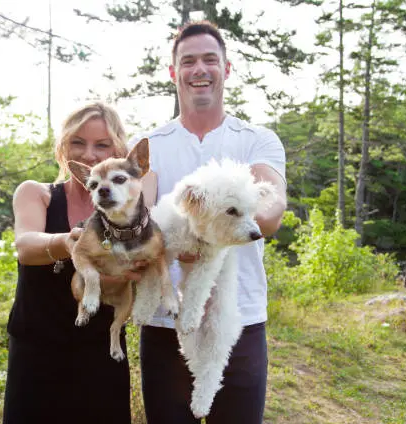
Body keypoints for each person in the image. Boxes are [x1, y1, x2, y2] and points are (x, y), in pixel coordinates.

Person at [132, 21, 288, 424]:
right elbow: (141, 219)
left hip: (240, 317)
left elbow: (270, 211)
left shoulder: (257, 139)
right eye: (188, 61)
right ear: (173, 72)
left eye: (209, 60)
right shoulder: (152, 144)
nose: (199, 69)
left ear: (226, 68)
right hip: (165, 321)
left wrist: (213, 239)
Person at [3, 102, 142, 424]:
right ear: (63, 147)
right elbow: (25, 246)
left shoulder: (129, 212)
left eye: (102, 144)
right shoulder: (36, 194)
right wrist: (66, 242)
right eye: (78, 142)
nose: (89, 154)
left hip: (100, 352)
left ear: (119, 149)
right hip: (36, 351)